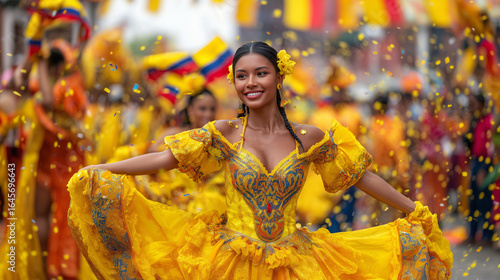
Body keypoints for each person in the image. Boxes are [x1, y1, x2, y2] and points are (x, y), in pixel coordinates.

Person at [67, 41, 452, 279]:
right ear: (234, 83)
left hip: (295, 260)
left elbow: (361, 177)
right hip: (228, 259)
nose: (250, 83)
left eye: (261, 73)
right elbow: (165, 159)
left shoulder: (310, 136)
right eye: (242, 76)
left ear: (279, 80)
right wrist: (103, 169)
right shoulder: (224, 132)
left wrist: (413, 209)